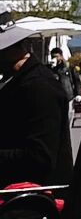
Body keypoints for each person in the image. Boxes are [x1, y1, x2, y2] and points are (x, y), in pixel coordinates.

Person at [0, 23, 74, 186]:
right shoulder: (18, 80)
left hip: (34, 194)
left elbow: (40, 157)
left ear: (10, 49)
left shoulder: (39, 86)